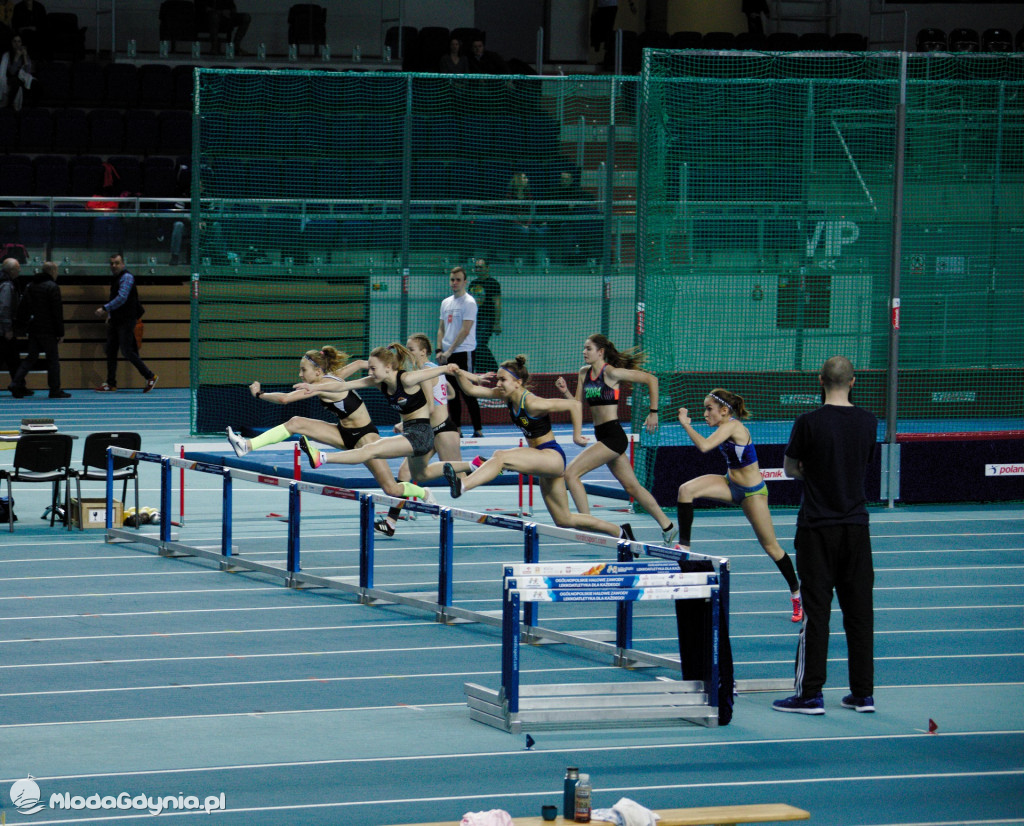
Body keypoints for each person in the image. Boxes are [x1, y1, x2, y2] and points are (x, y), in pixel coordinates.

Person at [773, 356, 878, 715]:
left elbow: (790, 469)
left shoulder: (807, 422)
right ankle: (863, 693)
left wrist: (813, 473)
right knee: (860, 613)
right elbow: (859, 463)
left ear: (820, 380)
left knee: (817, 613)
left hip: (818, 528)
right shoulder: (868, 422)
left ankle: (810, 694)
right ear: (853, 381)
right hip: (856, 528)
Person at [442, 355, 636, 542]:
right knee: (564, 520)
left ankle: (463, 485)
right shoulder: (507, 397)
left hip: (551, 456)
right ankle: (620, 531)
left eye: (503, 380)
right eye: (498, 379)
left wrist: (576, 435)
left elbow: (574, 405)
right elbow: (471, 391)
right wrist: (458, 372)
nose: (498, 384)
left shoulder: (533, 403)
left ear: (518, 382)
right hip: (542, 463)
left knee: (500, 456)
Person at [225, 346, 433, 508]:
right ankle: (247, 446)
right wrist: (365, 364)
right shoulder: (334, 377)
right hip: (342, 433)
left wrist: (260, 394)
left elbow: (286, 399)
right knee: (296, 422)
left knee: (392, 489)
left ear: (317, 371)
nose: (300, 375)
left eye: (303, 370)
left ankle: (424, 494)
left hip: (365, 437)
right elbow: (356, 365)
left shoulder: (321, 385)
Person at [676, 388, 802, 622]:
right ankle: (683, 547)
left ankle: (796, 594)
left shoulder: (733, 427)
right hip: (728, 483)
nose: (705, 413)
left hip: (752, 494)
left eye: (709, 409)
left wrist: (685, 423)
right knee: (686, 490)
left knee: (772, 547)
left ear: (724, 411)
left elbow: (704, 447)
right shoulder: (724, 427)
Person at [298, 343, 457, 505]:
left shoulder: (407, 378)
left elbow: (435, 372)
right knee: (420, 475)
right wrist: (315, 388)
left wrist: (451, 369)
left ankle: (322, 457)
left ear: (388, 367)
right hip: (410, 433)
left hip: (422, 434)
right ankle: (473, 465)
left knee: (370, 450)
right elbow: (343, 385)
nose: (370, 372)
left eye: (373, 368)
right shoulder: (378, 382)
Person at [555, 334, 677, 545]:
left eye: (588, 349)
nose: (584, 352)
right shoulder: (584, 373)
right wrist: (566, 392)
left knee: (571, 473)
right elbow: (577, 404)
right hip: (601, 434)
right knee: (632, 488)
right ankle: (668, 526)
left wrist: (654, 412)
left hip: (613, 435)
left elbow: (651, 379)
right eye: (584, 348)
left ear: (600, 352)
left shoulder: (611, 373)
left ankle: (588, 524)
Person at [376, 334, 481, 537]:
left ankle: (487, 464)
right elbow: (450, 392)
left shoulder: (425, 371)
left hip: (442, 429)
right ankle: (390, 522)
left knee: (460, 478)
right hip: (428, 432)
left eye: (412, 349)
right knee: (406, 473)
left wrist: (402, 422)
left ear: (423, 351)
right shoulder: (431, 369)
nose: (408, 352)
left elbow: (430, 408)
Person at [94, 253, 157, 393]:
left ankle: (150, 376)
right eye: (112, 263)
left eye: (117, 263)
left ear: (123, 264)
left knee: (128, 351)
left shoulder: (127, 277)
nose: (114, 266)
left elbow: (122, 297)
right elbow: (115, 297)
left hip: (127, 320)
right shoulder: (116, 278)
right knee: (110, 351)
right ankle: (111, 383)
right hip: (116, 320)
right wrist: (110, 315)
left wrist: (105, 309)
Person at [437, 265, 484, 438]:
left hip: (464, 352)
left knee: (468, 391)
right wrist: (439, 350)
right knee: (452, 392)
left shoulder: (469, 302)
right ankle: (456, 429)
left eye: (458, 280)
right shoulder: (446, 302)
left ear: (465, 282)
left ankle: (477, 429)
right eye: (452, 279)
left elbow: (465, 331)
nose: (454, 283)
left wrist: (449, 351)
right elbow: (441, 328)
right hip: (447, 353)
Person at [10, 261, 68, 398]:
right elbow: (57, 312)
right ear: (53, 271)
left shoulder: (31, 285)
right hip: (48, 329)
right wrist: (60, 332)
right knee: (53, 360)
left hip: (34, 328)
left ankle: (15, 382)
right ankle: (54, 389)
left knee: (31, 358)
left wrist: (21, 326)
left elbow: (23, 307)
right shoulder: (52, 287)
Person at [467, 258, 501, 374]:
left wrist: (496, 323)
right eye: (476, 267)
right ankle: (480, 371)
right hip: (475, 320)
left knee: (480, 344)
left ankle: (495, 370)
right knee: (473, 346)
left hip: (487, 319)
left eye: (480, 267)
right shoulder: (473, 284)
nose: (478, 269)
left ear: (487, 268)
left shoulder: (492, 283)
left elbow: (497, 303)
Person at [1, 256, 25, 393]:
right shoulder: (6, 285)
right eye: (18, 269)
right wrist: (7, 329)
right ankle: (18, 386)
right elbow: (5, 308)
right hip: (4, 330)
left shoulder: (4, 282)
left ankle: (20, 385)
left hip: (3, 328)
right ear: (11, 270)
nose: (20, 271)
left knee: (13, 359)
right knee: (12, 358)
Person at [0, 33, 34, 110]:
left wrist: (25, 57)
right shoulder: (7, 55)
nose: (17, 44)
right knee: (16, 82)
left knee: (35, 85)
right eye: (14, 41)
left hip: (23, 78)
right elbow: (11, 72)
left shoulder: (25, 55)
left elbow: (28, 72)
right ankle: (9, 106)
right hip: (11, 78)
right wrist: (16, 57)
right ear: (12, 43)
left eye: (19, 41)